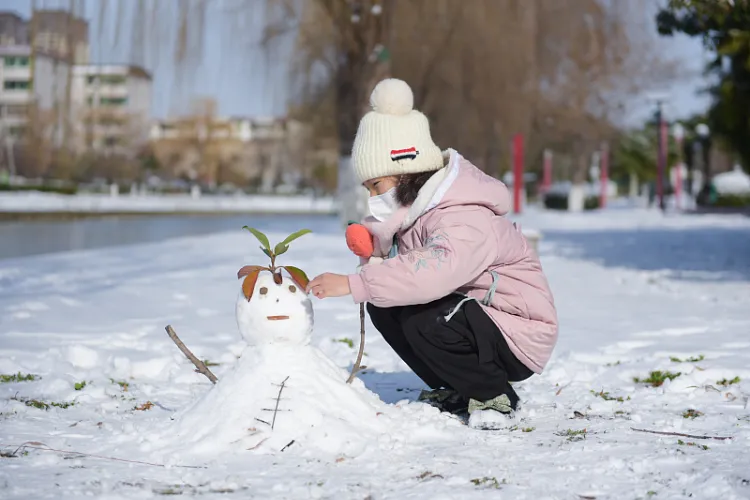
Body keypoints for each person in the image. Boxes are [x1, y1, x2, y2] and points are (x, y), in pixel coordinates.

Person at [307, 78, 558, 425]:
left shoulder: (463, 215)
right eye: (368, 188)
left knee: (425, 317)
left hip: (518, 332)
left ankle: (492, 394)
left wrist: (354, 283)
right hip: (480, 319)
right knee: (388, 305)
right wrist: (374, 249)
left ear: (405, 170)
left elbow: (432, 273)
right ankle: (459, 385)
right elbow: (404, 271)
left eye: (377, 185)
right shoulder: (414, 215)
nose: (373, 196)